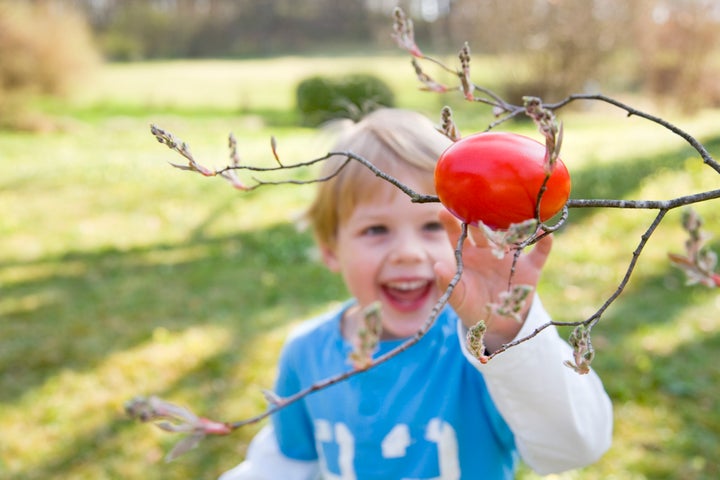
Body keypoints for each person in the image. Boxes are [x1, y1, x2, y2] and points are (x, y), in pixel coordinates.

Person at [219, 108, 613, 479]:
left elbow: (572, 449)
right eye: (376, 230)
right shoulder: (306, 354)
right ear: (329, 247)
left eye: (431, 226)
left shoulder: (480, 354)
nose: (408, 252)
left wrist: (507, 333)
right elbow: (284, 466)